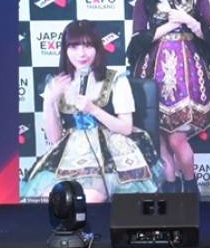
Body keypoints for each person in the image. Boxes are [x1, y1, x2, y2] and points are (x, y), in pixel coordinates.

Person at [21, 21, 164, 203]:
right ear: (65, 50)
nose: (81, 53)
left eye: (88, 46)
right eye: (74, 46)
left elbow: (126, 128)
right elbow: (55, 138)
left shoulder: (116, 80)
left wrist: (93, 109)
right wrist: (49, 101)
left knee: (90, 197)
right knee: (51, 197)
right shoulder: (57, 84)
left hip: (112, 150)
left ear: (97, 48)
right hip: (71, 153)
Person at [131, 0, 210, 194]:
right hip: (153, 75)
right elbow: (136, 41)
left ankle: (191, 188)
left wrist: (188, 20)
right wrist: (170, 25)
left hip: (188, 76)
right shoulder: (145, 0)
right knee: (159, 140)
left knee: (177, 138)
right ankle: (170, 192)